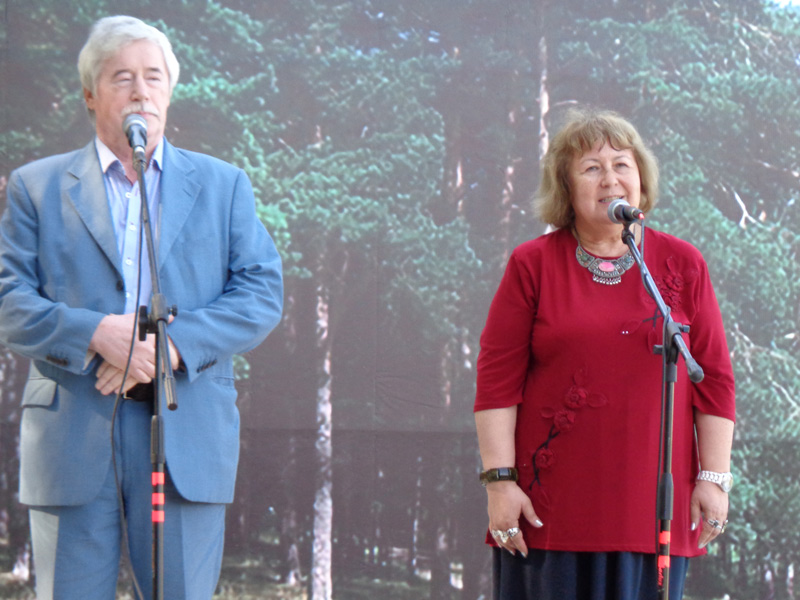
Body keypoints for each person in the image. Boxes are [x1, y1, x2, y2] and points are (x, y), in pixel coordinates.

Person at [0, 15, 283, 600]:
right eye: (121, 77)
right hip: (73, 430)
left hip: (184, 428)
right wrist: (96, 333)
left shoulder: (223, 185)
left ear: (169, 92)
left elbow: (260, 293)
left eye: (153, 76)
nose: (140, 91)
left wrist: (169, 348)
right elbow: (7, 297)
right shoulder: (36, 187)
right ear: (90, 94)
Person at [474, 108, 735, 599]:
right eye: (591, 168)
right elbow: (496, 381)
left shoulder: (682, 263)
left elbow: (714, 378)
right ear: (566, 187)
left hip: (653, 512)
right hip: (550, 510)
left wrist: (714, 479)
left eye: (621, 165)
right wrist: (499, 482)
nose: (610, 179)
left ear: (641, 179)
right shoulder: (532, 264)